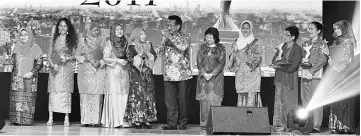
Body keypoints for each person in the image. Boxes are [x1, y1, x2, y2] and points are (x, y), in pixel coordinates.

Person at [160, 15, 192, 130]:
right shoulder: (166, 37)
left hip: (182, 74)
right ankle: (171, 124)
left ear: (178, 26)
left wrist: (170, 38)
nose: (169, 27)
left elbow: (183, 47)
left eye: (171, 25)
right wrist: (164, 40)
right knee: (170, 101)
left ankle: (183, 124)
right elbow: (160, 51)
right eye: (167, 25)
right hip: (169, 74)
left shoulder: (185, 36)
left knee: (183, 101)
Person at [124, 28, 157, 129]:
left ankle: (147, 120)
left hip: (147, 74)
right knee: (137, 96)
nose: (144, 36)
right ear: (137, 35)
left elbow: (154, 56)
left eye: (144, 34)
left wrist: (148, 55)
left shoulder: (149, 45)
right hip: (136, 74)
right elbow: (129, 59)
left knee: (148, 95)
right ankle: (137, 120)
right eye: (141, 34)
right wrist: (138, 56)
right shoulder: (131, 47)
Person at [47, 18, 78, 127]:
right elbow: (49, 55)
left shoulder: (72, 40)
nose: (62, 28)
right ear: (58, 27)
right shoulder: (53, 39)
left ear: (68, 28)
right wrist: (52, 64)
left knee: (65, 93)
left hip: (66, 69)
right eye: (60, 25)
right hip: (55, 69)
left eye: (65, 26)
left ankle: (66, 117)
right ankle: (50, 117)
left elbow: (75, 56)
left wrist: (67, 58)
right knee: (53, 92)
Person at [8, 28, 43, 126]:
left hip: (29, 78)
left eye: (26, 35)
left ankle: (26, 121)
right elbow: (13, 62)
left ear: (30, 36)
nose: (23, 37)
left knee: (27, 100)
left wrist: (31, 73)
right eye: (21, 35)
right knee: (17, 99)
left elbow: (40, 63)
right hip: (17, 79)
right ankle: (16, 120)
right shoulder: (16, 47)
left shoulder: (35, 48)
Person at [328, 20, 357, 134]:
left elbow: (347, 58)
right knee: (335, 98)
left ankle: (344, 125)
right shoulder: (336, 41)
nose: (336, 31)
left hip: (344, 73)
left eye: (338, 28)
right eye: (335, 29)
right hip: (335, 73)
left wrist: (334, 64)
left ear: (344, 29)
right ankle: (335, 125)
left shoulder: (348, 41)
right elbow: (334, 55)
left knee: (343, 99)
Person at [272, 26, 302, 132]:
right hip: (280, 77)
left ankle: (289, 125)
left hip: (289, 78)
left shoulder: (297, 49)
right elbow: (274, 60)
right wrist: (279, 53)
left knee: (289, 102)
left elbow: (294, 66)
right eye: (284, 34)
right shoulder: (283, 47)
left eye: (287, 35)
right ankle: (280, 124)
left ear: (293, 37)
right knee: (280, 102)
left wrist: (280, 66)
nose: (284, 37)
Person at [76, 23, 106, 127]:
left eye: (97, 30)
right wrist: (83, 58)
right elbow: (77, 55)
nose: (96, 32)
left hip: (97, 70)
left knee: (96, 95)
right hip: (85, 71)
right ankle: (85, 120)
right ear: (89, 31)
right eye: (94, 30)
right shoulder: (82, 42)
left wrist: (100, 62)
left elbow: (106, 55)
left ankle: (95, 120)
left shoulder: (102, 41)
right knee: (85, 96)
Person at [300, 21, 328, 132]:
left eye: (312, 29)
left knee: (315, 100)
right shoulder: (305, 43)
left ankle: (316, 125)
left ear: (318, 31)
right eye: (309, 29)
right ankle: (308, 123)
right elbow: (303, 59)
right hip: (305, 75)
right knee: (305, 99)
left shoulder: (322, 44)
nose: (309, 31)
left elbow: (323, 60)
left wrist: (311, 71)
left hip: (315, 76)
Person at [101, 23, 130, 128]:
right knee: (114, 94)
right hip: (113, 72)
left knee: (124, 95)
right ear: (113, 31)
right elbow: (105, 58)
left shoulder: (126, 43)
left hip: (124, 72)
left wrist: (126, 61)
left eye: (121, 29)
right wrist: (117, 60)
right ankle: (115, 121)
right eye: (117, 29)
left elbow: (129, 56)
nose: (119, 31)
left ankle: (123, 120)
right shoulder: (109, 43)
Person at [196, 27, 226, 129]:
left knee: (215, 101)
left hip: (216, 79)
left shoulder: (221, 48)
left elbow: (221, 64)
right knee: (204, 102)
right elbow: (199, 62)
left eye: (211, 37)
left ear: (215, 37)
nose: (208, 39)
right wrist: (204, 74)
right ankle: (204, 124)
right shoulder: (202, 47)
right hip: (203, 79)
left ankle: (215, 124)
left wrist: (212, 74)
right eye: (207, 37)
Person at [228, 20, 263, 107]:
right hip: (240, 74)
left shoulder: (256, 42)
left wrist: (241, 53)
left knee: (251, 99)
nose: (245, 30)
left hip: (252, 75)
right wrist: (235, 52)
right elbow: (232, 60)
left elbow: (257, 59)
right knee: (241, 99)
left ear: (251, 29)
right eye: (243, 28)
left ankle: (251, 120)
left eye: (247, 28)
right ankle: (241, 120)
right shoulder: (236, 42)